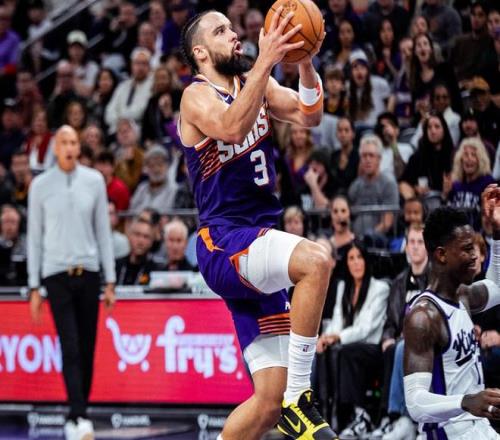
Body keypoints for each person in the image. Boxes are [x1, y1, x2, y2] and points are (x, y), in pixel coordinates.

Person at [179, 8, 337, 440]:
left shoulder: (254, 80)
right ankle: (301, 399)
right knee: (317, 261)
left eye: (232, 27)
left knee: (268, 402)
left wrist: (304, 61)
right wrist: (266, 60)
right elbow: (231, 127)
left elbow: (309, 114)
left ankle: (287, 400)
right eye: (221, 31)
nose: (234, 34)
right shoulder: (196, 96)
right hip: (224, 242)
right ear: (200, 52)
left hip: (257, 245)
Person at [27, 125, 116, 440]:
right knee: (70, 345)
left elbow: (103, 232)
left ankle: (79, 412)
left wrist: (110, 279)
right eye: (63, 142)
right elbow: (34, 237)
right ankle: (78, 415)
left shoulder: (94, 181)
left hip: (88, 272)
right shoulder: (40, 185)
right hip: (55, 274)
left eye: (73, 142)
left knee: (88, 346)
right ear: (55, 148)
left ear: (79, 148)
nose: (68, 147)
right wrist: (34, 285)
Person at [403, 202, 500, 440]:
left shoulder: (463, 296)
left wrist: (497, 234)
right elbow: (415, 403)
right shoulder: (423, 317)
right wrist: (466, 401)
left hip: (477, 427)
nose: (475, 256)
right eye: (467, 249)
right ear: (442, 254)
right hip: (448, 433)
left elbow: (497, 287)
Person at [317, 241, 390, 437]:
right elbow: (337, 319)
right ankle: (326, 410)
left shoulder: (380, 288)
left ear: (366, 261)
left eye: (359, 257)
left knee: (345, 351)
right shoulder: (344, 287)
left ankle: (359, 413)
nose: (356, 262)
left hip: (371, 347)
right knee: (325, 351)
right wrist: (326, 337)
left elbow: (366, 328)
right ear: (347, 263)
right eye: (351, 258)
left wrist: (338, 337)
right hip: (349, 345)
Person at [348, 135, 399, 245]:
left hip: (379, 241)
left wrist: (367, 238)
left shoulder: (388, 183)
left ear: (379, 158)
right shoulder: (355, 185)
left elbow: (387, 222)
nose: (367, 159)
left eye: (371, 155)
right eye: (364, 156)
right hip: (355, 241)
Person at [115, 217, 158, 285]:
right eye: (137, 235)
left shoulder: (155, 272)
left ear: (151, 242)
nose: (140, 241)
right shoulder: (115, 266)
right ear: (129, 236)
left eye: (146, 236)